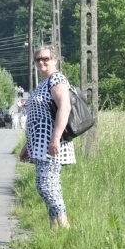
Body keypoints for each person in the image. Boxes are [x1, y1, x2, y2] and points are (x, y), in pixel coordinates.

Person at [18, 45, 75, 229]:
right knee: (50, 186)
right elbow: (38, 118)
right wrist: (28, 145)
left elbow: (64, 108)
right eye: (38, 59)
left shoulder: (57, 79)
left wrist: (55, 138)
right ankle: (54, 228)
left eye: (46, 58)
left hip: (51, 144)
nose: (42, 62)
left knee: (46, 186)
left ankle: (64, 225)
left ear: (55, 60)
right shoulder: (43, 83)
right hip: (40, 144)